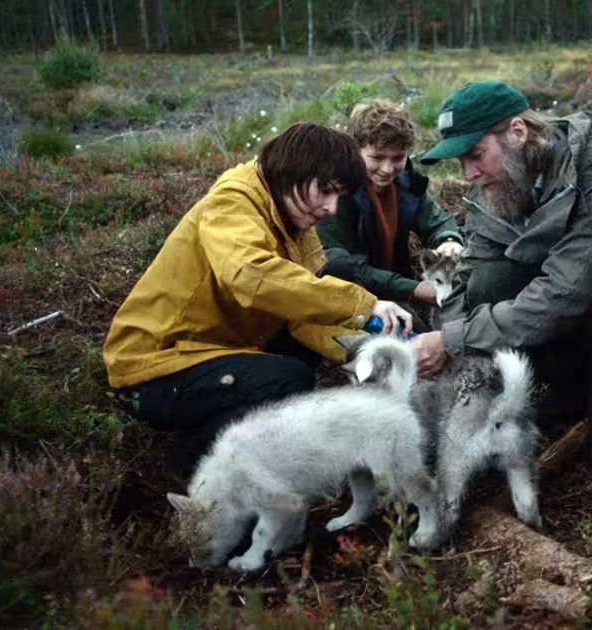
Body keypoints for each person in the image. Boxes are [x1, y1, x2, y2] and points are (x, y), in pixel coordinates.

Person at [410, 80, 592, 482]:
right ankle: (580, 386)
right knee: (488, 281)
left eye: (476, 155)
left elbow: (558, 297)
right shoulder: (498, 188)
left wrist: (450, 341)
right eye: (461, 162)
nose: (468, 174)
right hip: (578, 326)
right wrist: (449, 349)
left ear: (518, 133)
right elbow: (468, 275)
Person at [103, 122, 413, 474]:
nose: (331, 208)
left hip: (220, 346)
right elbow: (250, 276)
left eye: (339, 197)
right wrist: (364, 305)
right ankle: (191, 465)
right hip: (157, 367)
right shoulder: (232, 203)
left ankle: (242, 421)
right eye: (326, 191)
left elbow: (301, 312)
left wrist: (363, 353)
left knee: (333, 273)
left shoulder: (294, 217)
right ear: (292, 171)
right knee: (287, 379)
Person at [316, 100, 463, 318]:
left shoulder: (406, 183)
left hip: (396, 288)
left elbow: (437, 220)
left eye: (397, 158)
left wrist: (449, 240)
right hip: (351, 296)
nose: (387, 169)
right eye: (376, 158)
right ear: (356, 150)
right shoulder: (335, 193)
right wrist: (413, 289)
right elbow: (347, 266)